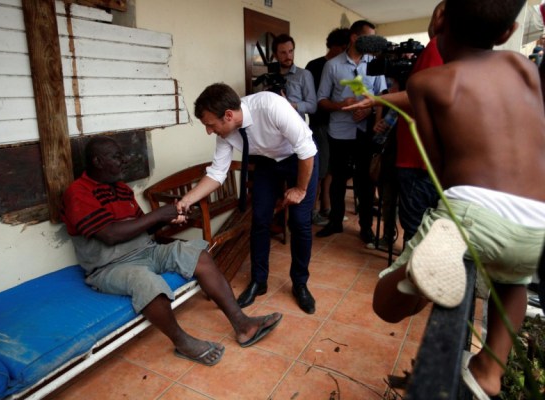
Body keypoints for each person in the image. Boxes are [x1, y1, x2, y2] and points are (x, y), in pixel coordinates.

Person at [372, 0, 545, 398]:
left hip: (472, 209)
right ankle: (489, 371)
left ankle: (416, 275)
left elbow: (440, 166)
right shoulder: (523, 68)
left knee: (385, 302)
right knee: (512, 282)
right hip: (536, 220)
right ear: (507, 33)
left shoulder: (428, 83)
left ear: (440, 18)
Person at [61, 136, 283, 366]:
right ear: (97, 161)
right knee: (146, 282)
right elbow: (110, 235)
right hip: (110, 266)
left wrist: (170, 218)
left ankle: (243, 324)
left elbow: (142, 227)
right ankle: (182, 342)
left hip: (146, 250)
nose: (125, 160)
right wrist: (158, 214)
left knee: (198, 255)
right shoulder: (78, 193)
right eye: (117, 156)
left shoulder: (121, 189)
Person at [177, 83, 319, 314]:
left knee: (300, 223)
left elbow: (307, 150)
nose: (209, 131)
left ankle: (300, 283)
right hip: (266, 162)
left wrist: (300, 190)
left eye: (210, 125)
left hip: (299, 158)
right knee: (260, 220)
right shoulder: (226, 130)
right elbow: (217, 173)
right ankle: (258, 281)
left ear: (229, 115)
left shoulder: (271, 106)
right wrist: (186, 200)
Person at [345, 2, 445, 245]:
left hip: (419, 161)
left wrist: (375, 102)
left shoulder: (436, 49)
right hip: (416, 157)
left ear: (440, 17)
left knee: (416, 232)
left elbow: (422, 97)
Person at [315, 20, 387, 244]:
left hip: (365, 132)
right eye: (369, 37)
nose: (373, 42)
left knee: (365, 182)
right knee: (337, 180)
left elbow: (382, 95)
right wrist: (341, 105)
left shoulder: (375, 63)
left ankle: (366, 228)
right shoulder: (333, 65)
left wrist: (368, 109)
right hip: (339, 132)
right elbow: (321, 100)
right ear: (355, 38)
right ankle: (335, 222)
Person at [306, 28, 351, 226]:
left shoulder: (344, 67)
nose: (346, 51)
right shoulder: (315, 66)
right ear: (334, 46)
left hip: (339, 125)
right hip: (321, 124)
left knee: (331, 170)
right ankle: (311, 212)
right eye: (343, 47)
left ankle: (326, 208)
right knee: (319, 170)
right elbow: (313, 99)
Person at [272, 34, 317, 121]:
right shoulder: (270, 77)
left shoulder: (304, 75)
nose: (288, 56)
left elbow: (312, 106)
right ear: (275, 55)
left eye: (290, 51)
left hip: (296, 128)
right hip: (274, 127)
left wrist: (292, 106)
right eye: (283, 53)